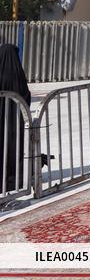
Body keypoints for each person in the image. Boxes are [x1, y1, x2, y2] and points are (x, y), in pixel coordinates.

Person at [0, 44, 30, 191]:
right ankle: (15, 176)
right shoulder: (18, 74)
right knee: (15, 146)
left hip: (1, 120)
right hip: (16, 121)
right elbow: (26, 96)